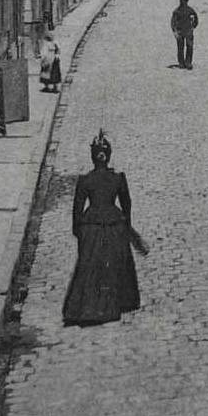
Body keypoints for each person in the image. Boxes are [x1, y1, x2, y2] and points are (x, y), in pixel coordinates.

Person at [62, 130, 148, 327]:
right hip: (113, 225)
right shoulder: (118, 178)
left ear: (93, 157)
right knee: (117, 263)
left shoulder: (85, 180)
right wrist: (126, 225)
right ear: (109, 156)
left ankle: (89, 306)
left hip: (92, 226)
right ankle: (121, 300)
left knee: (90, 266)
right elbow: (127, 204)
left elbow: (77, 209)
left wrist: (79, 231)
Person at [171, 0, 199, 69]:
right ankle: (182, 63)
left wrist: (193, 26)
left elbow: (196, 19)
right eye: (182, 1)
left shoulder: (189, 10)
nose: (183, 3)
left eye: (184, 2)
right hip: (181, 31)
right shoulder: (177, 11)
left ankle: (188, 62)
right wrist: (175, 31)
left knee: (188, 47)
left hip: (188, 31)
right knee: (181, 47)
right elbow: (173, 22)